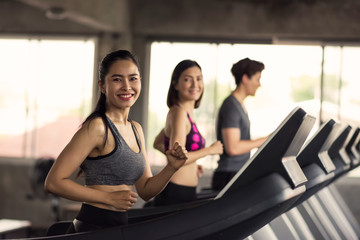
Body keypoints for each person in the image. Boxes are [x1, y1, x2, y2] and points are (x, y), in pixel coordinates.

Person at [44, 50, 188, 233]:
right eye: (117, 79)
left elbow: (145, 190)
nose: (127, 86)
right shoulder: (97, 127)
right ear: (103, 86)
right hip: (91, 227)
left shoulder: (136, 129)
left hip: (118, 226)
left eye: (133, 78)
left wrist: (171, 168)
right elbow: (53, 182)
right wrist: (108, 198)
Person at [152, 59, 223, 206]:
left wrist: (192, 164)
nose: (195, 85)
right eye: (187, 79)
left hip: (184, 191)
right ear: (175, 84)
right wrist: (209, 150)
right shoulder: (179, 113)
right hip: (176, 192)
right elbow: (178, 158)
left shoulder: (182, 113)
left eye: (199, 79)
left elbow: (158, 143)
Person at [211, 57, 268, 191]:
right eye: (257, 79)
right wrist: (264, 141)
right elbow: (233, 148)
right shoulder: (231, 106)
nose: (259, 84)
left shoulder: (239, 105)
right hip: (228, 175)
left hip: (235, 173)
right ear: (245, 79)